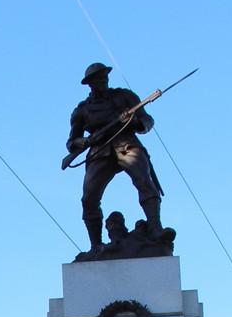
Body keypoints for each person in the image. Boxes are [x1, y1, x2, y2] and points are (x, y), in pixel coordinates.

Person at [65, 62, 165, 254]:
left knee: (145, 182)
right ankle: (95, 244)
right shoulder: (83, 110)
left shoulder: (124, 97)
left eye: (104, 78)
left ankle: (155, 228)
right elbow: (71, 142)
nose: (102, 82)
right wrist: (84, 142)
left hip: (126, 144)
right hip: (99, 152)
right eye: (98, 80)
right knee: (89, 198)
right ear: (90, 83)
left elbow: (147, 120)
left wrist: (134, 121)